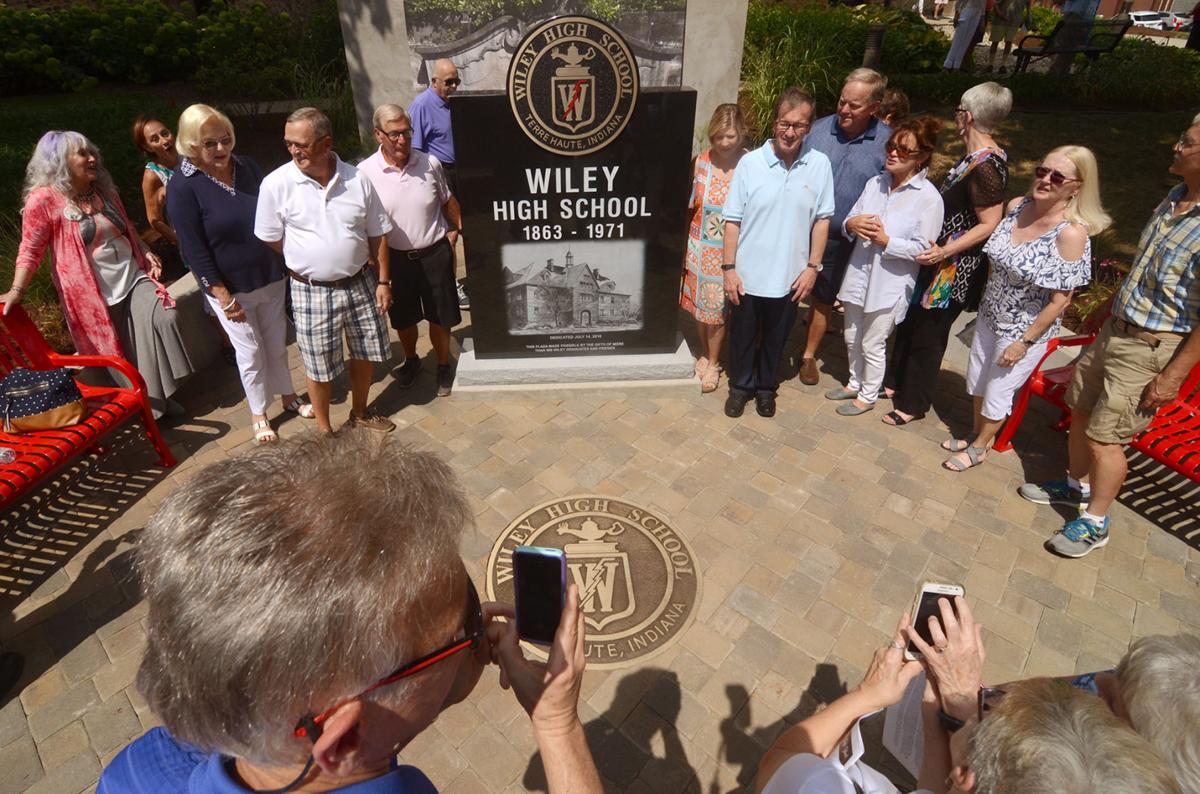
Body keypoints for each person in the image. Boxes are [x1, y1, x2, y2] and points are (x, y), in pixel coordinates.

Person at [96, 431, 602, 793]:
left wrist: (447, 652)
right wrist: (557, 724)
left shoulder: (135, 770)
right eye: (464, 629)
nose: (481, 627)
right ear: (342, 741)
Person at [1019, 115, 1200, 558]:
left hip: (1150, 347)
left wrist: (1173, 376)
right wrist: (1107, 307)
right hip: (1116, 329)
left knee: (1107, 438)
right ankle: (1074, 487)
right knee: (1081, 411)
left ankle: (1096, 522)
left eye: (1188, 142)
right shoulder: (1174, 198)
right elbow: (1145, 267)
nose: (1177, 146)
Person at [2, 131, 196, 419]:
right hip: (91, 294)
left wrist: (144, 250)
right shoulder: (43, 200)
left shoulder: (104, 189)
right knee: (120, 353)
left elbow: (127, 226)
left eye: (92, 152)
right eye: (83, 154)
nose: (93, 158)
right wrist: (16, 291)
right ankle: (155, 404)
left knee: (164, 316)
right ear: (60, 161)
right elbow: (30, 248)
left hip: (132, 277)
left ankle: (157, 400)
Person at [941, 146, 1108, 471]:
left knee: (998, 389)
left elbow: (1061, 300)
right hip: (990, 315)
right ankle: (975, 434)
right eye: (1042, 171)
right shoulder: (1017, 206)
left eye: (1057, 177)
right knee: (978, 379)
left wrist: (1025, 342)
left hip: (1024, 328)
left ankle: (980, 447)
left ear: (1076, 187)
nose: (1045, 180)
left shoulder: (1071, 233)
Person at [167, 104, 313, 444]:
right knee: (250, 353)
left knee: (276, 344)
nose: (221, 149)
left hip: (269, 274)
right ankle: (259, 412)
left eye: (226, 139)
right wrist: (220, 293)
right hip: (230, 289)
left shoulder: (247, 167)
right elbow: (193, 248)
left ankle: (288, 396)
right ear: (191, 145)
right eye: (210, 143)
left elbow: (274, 213)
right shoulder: (183, 187)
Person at [254, 107, 396, 436]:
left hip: (361, 283)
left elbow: (378, 233)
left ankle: (360, 412)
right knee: (318, 365)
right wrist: (307, 259)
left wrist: (384, 281)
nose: (293, 150)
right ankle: (324, 432)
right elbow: (270, 237)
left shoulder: (357, 179)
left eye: (301, 144)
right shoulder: (276, 184)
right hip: (310, 290)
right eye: (288, 143)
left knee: (365, 353)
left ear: (326, 143)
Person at [884, 82, 1011, 428]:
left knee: (929, 333)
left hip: (954, 270)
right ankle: (895, 381)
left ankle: (914, 402)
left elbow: (989, 223)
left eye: (958, 111)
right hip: (938, 261)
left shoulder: (987, 166)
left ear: (966, 116)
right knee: (913, 322)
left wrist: (945, 250)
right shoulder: (975, 158)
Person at [722, 87, 834, 419]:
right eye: (785, 123)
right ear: (775, 123)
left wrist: (812, 268)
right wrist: (729, 269)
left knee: (776, 337)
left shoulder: (819, 165)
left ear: (809, 127)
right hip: (748, 274)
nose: (790, 132)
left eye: (798, 125)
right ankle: (740, 387)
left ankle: (765, 388)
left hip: (791, 276)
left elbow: (822, 220)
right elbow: (732, 221)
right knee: (742, 336)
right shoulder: (750, 163)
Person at [826, 116, 944, 417]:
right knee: (851, 334)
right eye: (891, 146)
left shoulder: (928, 198)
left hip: (890, 282)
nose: (892, 153)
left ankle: (868, 394)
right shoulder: (875, 184)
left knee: (873, 342)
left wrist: (887, 241)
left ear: (921, 157)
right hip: (858, 273)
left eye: (903, 150)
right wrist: (853, 224)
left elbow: (924, 249)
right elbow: (849, 220)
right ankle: (854, 382)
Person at [359, 104, 463, 398]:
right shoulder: (364, 173)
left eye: (406, 132)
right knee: (403, 318)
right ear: (378, 134)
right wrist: (371, 259)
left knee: (440, 316)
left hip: (435, 254)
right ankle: (412, 359)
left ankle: (443, 364)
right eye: (394, 134)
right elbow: (360, 220)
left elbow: (447, 199)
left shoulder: (430, 163)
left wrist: (457, 230)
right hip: (394, 259)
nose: (403, 140)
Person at [797, 68, 891, 387]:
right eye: (842, 101)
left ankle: (808, 355)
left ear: (874, 107)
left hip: (842, 239)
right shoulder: (817, 131)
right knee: (786, 290)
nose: (844, 110)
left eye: (854, 105)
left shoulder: (887, 143)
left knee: (823, 298)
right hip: (798, 230)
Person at [134, 114, 236, 364]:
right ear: (147, 147)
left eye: (165, 133)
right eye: (154, 139)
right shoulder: (152, 175)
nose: (164, 140)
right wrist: (182, 240)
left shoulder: (187, 156)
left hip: (214, 231)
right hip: (191, 240)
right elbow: (154, 219)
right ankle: (229, 344)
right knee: (210, 288)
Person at [681, 103, 749, 394]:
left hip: (732, 249)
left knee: (719, 311)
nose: (724, 142)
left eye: (730, 136)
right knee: (701, 308)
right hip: (700, 246)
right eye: (719, 136)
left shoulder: (750, 164)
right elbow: (689, 206)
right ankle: (705, 353)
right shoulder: (700, 162)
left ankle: (714, 362)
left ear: (742, 133)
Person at [410, 58, 469, 312]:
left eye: (457, 81)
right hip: (440, 173)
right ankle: (451, 286)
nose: (453, 86)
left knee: (467, 227)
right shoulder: (421, 106)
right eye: (448, 82)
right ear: (434, 81)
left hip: (461, 171)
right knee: (450, 234)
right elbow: (415, 149)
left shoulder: (452, 102)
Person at [986, 0, 1031, 73]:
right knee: (995, 42)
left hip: (1014, 22)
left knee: (1009, 42)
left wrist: (1028, 14)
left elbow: (1028, 3)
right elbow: (995, 4)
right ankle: (990, 64)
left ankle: (1003, 65)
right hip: (1000, 21)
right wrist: (1000, 15)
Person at [945, 0, 986, 71]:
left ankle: (957, 65)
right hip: (967, 10)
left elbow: (983, 4)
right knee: (958, 39)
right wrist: (957, 14)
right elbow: (959, 2)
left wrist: (982, 20)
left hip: (977, 14)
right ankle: (947, 64)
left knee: (966, 41)